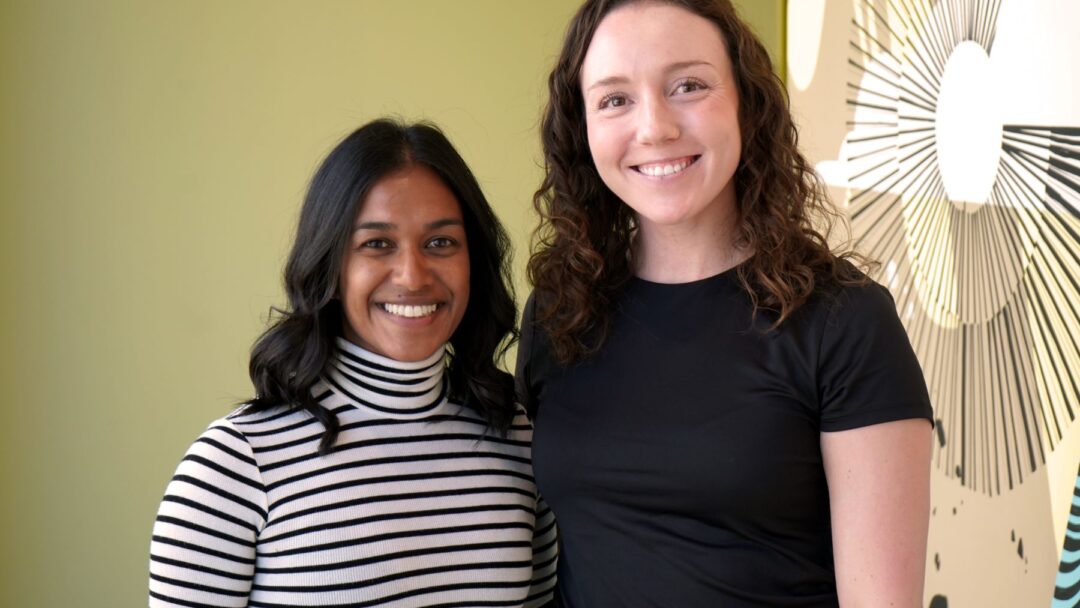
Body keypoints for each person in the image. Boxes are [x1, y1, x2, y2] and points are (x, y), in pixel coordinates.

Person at [517, 1, 933, 606]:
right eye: (614, 99)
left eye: (688, 85)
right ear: (582, 128)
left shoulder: (846, 321)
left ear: (747, 104)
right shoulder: (560, 313)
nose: (654, 126)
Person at [149, 119, 557, 607]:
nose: (412, 275)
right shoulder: (235, 465)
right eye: (377, 244)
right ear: (330, 264)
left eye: (440, 242)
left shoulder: (519, 438)